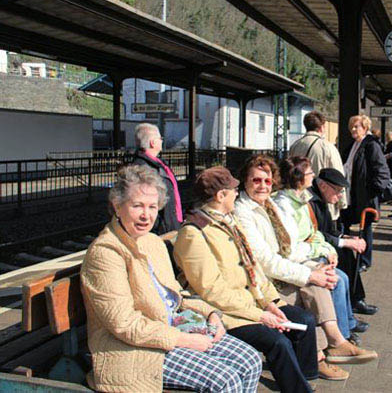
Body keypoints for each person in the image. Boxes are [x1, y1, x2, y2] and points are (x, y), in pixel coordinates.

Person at [81, 165, 262, 393]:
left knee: (250, 360)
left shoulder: (151, 242)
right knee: (225, 380)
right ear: (117, 206)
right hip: (135, 349)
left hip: (174, 328)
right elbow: (124, 324)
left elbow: (177, 296)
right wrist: (182, 340)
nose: (146, 215)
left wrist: (212, 314)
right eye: (137, 206)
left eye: (152, 207)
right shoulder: (105, 253)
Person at [174, 166, 318, 393]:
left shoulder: (229, 220)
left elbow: (254, 268)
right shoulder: (193, 233)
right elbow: (212, 291)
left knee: (305, 321)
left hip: (251, 300)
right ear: (221, 196)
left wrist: (270, 302)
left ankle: (305, 378)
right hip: (224, 312)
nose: (237, 194)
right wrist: (260, 315)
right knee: (277, 342)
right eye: (234, 190)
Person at [234, 156, 377, 380]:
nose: (262, 186)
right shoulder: (244, 211)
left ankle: (331, 345)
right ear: (245, 180)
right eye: (256, 180)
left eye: (267, 181)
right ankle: (324, 351)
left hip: (282, 269)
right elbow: (265, 261)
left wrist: (316, 264)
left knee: (321, 279)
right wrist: (310, 273)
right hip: (263, 283)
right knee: (315, 284)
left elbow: (292, 245)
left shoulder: (270, 204)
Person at [272, 157, 378, 363]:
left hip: (307, 254)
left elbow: (315, 233)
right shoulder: (287, 204)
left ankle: (344, 330)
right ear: (299, 177)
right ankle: (340, 339)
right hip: (297, 260)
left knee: (340, 276)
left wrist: (328, 247)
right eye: (310, 172)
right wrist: (326, 247)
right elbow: (292, 247)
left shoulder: (302, 199)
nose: (313, 174)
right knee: (335, 279)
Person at [308, 168, 379, 316]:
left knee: (347, 250)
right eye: (338, 191)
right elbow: (316, 235)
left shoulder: (320, 200)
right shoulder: (311, 202)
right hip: (312, 249)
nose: (341, 196)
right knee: (341, 269)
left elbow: (328, 230)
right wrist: (344, 242)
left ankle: (355, 299)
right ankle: (349, 308)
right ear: (323, 186)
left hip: (321, 244)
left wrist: (346, 237)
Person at [341, 114, 390, 270]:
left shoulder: (371, 145)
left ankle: (364, 261)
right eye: (352, 127)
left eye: (357, 126)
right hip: (350, 194)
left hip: (364, 196)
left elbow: (382, 172)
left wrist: (372, 192)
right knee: (345, 224)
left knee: (365, 228)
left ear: (365, 128)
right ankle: (348, 257)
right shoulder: (353, 145)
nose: (353, 130)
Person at [289, 111, 346, 220]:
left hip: (299, 200)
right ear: (322, 127)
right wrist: (342, 203)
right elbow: (338, 176)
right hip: (323, 203)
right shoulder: (327, 147)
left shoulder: (295, 146)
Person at [132, 123, 182, 234]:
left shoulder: (158, 164)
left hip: (169, 222)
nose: (162, 141)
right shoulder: (142, 168)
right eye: (160, 139)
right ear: (153, 143)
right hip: (160, 229)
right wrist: (158, 226)